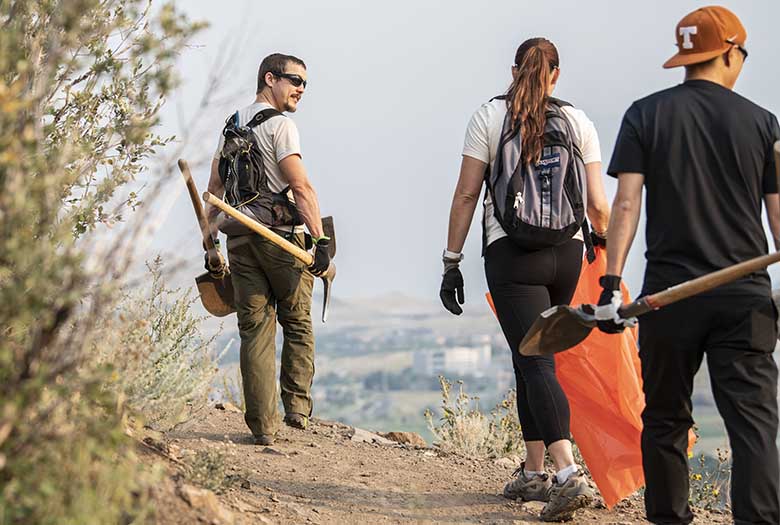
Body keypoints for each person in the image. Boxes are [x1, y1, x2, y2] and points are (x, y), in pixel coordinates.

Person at [598, 6, 780, 524]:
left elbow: (626, 204)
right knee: (753, 426)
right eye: (742, 54)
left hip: (667, 297)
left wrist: (612, 285)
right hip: (744, 298)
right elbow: (779, 221)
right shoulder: (764, 124)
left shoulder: (644, 114)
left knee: (664, 420)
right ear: (728, 52)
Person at [440, 37, 611, 522]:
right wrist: (602, 247)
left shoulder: (489, 117)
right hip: (569, 251)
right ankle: (534, 472)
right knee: (530, 356)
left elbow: (467, 195)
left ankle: (567, 474)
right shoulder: (578, 121)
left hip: (513, 253)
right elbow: (598, 204)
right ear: (556, 75)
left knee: (536, 361)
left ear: (514, 70)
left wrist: (451, 260)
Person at [205, 53, 331, 446]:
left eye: (306, 84)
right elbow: (301, 187)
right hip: (281, 240)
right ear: (269, 78)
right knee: (296, 321)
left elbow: (214, 189)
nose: (301, 90)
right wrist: (320, 240)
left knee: (254, 331)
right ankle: (296, 408)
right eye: (295, 80)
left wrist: (210, 244)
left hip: (239, 239)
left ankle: (263, 427)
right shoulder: (282, 126)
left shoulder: (232, 127)